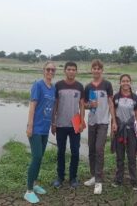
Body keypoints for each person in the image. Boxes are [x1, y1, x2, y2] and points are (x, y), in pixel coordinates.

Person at [24, 62, 57, 204]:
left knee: (40, 157)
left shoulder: (53, 88)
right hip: (36, 128)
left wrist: (52, 124)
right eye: (48, 69)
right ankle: (29, 190)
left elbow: (52, 108)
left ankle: (35, 184)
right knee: (36, 157)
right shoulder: (38, 85)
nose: (50, 71)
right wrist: (30, 126)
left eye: (53, 70)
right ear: (43, 71)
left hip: (45, 129)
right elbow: (32, 106)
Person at [83, 59, 117, 195]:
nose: (96, 70)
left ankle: (99, 181)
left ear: (102, 70)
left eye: (99, 68)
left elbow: (111, 103)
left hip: (103, 122)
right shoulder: (88, 87)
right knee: (91, 150)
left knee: (99, 149)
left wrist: (114, 121)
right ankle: (93, 176)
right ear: (91, 70)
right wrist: (90, 105)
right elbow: (84, 105)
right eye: (94, 68)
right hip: (92, 122)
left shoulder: (107, 84)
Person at [51, 61, 85, 189]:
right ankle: (60, 177)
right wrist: (53, 122)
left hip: (75, 125)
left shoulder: (80, 86)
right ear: (65, 71)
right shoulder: (58, 85)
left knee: (75, 152)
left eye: (73, 69)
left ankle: (73, 177)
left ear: (76, 71)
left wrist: (82, 121)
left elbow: (82, 105)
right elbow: (55, 105)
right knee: (61, 151)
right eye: (69, 69)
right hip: (60, 124)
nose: (71, 71)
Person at [111, 74, 137, 191]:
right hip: (119, 129)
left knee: (131, 156)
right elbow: (113, 112)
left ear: (130, 82)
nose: (125, 83)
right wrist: (112, 126)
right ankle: (118, 179)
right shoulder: (116, 97)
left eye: (127, 81)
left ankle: (134, 181)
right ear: (120, 83)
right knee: (119, 156)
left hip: (131, 130)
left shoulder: (134, 97)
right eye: (123, 81)